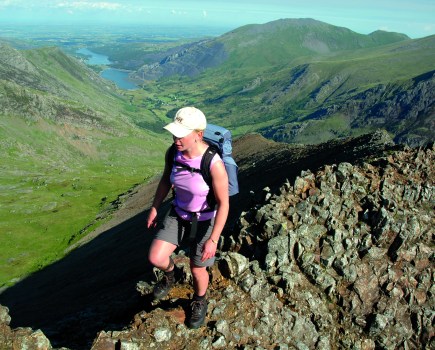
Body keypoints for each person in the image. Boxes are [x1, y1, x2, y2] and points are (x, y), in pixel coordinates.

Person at [146, 106, 229, 329]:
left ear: (198, 135)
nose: (176, 139)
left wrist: (213, 239)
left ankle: (200, 300)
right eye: (174, 134)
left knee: (197, 268)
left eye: (181, 135)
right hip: (178, 213)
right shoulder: (173, 153)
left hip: (205, 220)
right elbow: (166, 180)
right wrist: (155, 207)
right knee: (156, 258)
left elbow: (224, 203)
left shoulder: (213, 163)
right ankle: (171, 276)